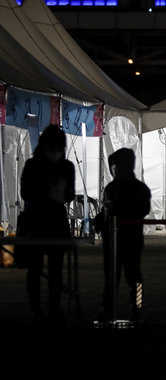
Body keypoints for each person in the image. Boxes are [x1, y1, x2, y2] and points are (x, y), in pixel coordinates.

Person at [19, 125, 75, 327]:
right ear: (46, 145)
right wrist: (45, 183)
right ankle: (36, 310)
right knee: (34, 269)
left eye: (62, 145)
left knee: (56, 270)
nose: (59, 149)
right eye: (56, 145)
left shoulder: (67, 166)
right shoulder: (33, 165)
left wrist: (65, 187)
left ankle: (53, 310)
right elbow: (25, 193)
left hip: (57, 222)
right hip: (36, 221)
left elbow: (69, 196)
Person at [94, 148, 152, 324]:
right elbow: (105, 211)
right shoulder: (111, 187)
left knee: (134, 277)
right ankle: (107, 308)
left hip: (130, 239)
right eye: (113, 166)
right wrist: (100, 219)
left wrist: (116, 210)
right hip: (111, 240)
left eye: (117, 165)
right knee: (111, 277)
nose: (114, 169)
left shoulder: (138, 188)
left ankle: (137, 308)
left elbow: (142, 210)